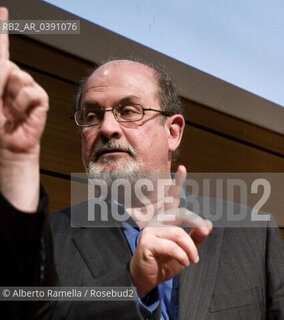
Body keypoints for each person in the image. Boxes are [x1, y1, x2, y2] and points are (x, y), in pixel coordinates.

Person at [0, 7, 284, 320]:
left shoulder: (253, 234)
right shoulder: (48, 240)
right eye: (92, 116)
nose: (107, 128)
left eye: (129, 111)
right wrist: (133, 283)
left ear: (173, 132)